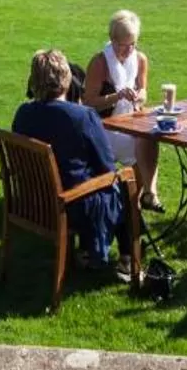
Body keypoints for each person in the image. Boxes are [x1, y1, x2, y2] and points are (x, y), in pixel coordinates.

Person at [10, 48, 128, 271]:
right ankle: (128, 261)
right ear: (66, 79)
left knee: (95, 180)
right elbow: (107, 167)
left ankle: (86, 251)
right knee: (124, 183)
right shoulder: (82, 116)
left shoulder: (23, 113)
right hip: (70, 205)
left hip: (33, 202)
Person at [80, 9, 163, 210]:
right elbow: (88, 103)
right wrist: (117, 96)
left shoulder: (140, 59)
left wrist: (140, 95)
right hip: (104, 127)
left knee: (149, 137)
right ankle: (134, 204)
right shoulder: (100, 63)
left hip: (129, 122)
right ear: (112, 39)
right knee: (142, 150)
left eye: (132, 44)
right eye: (122, 45)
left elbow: (143, 90)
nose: (128, 51)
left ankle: (146, 196)